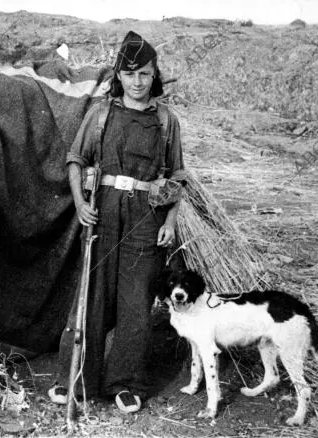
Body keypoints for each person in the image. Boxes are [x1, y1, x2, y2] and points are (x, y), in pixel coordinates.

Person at [48, 30, 186, 414]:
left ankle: (125, 383)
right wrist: (79, 203)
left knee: (136, 303)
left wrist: (170, 222)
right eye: (129, 74)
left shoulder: (165, 120)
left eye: (144, 74)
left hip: (146, 216)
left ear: (154, 74)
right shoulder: (101, 114)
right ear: (119, 76)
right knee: (91, 296)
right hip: (104, 212)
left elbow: (176, 178)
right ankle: (75, 379)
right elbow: (75, 160)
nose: (137, 82)